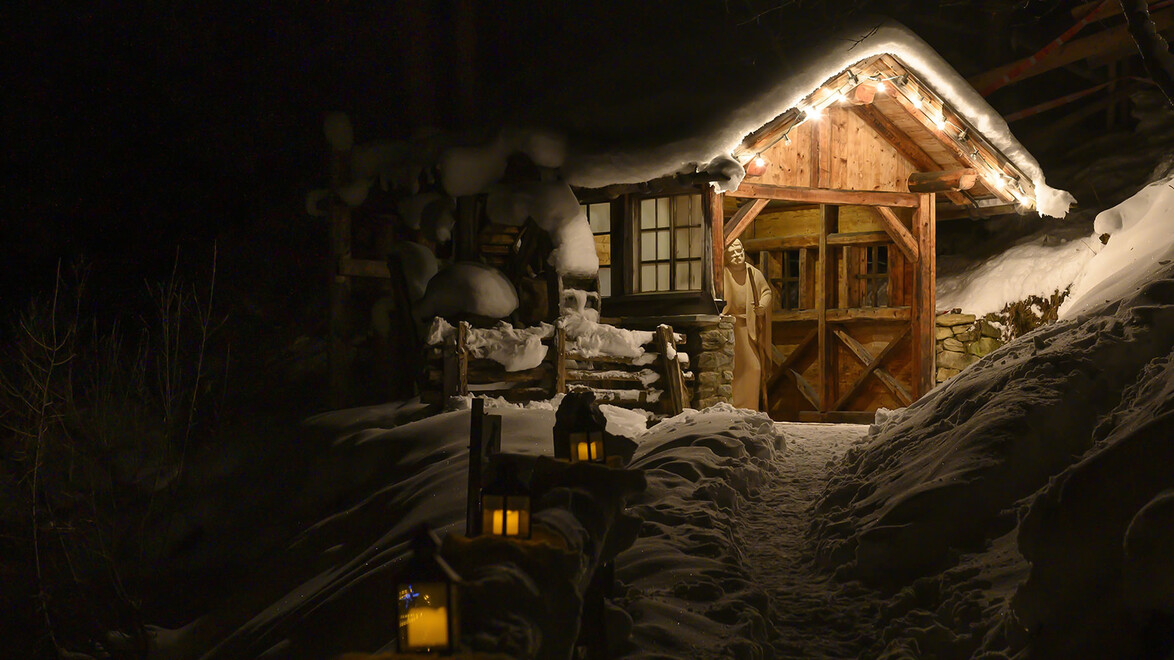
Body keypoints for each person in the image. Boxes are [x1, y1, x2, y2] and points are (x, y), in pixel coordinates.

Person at [722, 239, 774, 411]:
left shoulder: (754, 273)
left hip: (749, 327)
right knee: (736, 370)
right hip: (732, 328)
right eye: (733, 253)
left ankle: (750, 408)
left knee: (754, 368)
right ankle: (736, 407)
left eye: (740, 251)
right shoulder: (724, 273)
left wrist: (762, 307)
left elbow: (766, 292)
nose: (737, 256)